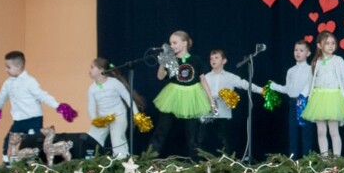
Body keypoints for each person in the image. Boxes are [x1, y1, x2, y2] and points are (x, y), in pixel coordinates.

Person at [0, 50, 75, 162]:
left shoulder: (30, 81)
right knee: (8, 142)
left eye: (8, 67)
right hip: (18, 121)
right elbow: (1, 97)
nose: (6, 69)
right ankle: (8, 163)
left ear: (18, 66)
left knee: (34, 143)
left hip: (33, 120)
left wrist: (58, 107)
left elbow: (43, 95)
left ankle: (37, 164)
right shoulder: (8, 83)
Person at [149, 30, 211, 158]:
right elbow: (160, 77)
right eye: (170, 43)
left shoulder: (195, 60)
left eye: (174, 43)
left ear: (185, 43)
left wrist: (211, 99)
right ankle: (150, 157)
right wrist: (162, 64)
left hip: (191, 96)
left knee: (192, 133)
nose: (172, 46)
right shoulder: (171, 59)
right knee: (162, 129)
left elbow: (203, 80)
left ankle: (194, 161)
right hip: (173, 96)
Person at [300, 31, 344, 157]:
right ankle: (324, 157)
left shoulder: (338, 60)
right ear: (319, 46)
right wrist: (302, 95)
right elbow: (310, 82)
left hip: (333, 97)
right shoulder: (315, 62)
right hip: (319, 98)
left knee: (333, 130)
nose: (331, 46)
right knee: (321, 131)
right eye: (327, 43)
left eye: (333, 43)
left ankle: (336, 158)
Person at [199, 48, 265, 155]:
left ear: (224, 61)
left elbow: (245, 84)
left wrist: (261, 90)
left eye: (216, 57)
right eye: (211, 58)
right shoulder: (205, 78)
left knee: (224, 142)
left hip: (223, 115)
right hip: (207, 116)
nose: (213, 60)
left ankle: (225, 163)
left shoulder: (230, 77)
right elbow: (200, 93)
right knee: (204, 141)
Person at [86, 57, 144, 158]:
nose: (89, 70)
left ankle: (121, 161)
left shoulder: (114, 83)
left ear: (101, 70)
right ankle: (94, 160)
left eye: (92, 67)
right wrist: (95, 120)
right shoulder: (92, 88)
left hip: (118, 115)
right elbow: (91, 107)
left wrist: (136, 114)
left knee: (117, 140)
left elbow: (128, 98)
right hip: (103, 118)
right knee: (93, 138)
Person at [268, 39, 316, 159]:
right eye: (296, 50)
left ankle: (307, 162)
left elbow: (311, 87)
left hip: (305, 103)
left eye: (301, 50)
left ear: (308, 53)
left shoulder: (311, 69)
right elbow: (288, 89)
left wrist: (303, 97)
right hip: (293, 103)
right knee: (293, 134)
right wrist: (274, 86)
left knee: (306, 134)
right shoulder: (291, 70)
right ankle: (293, 162)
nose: (297, 53)